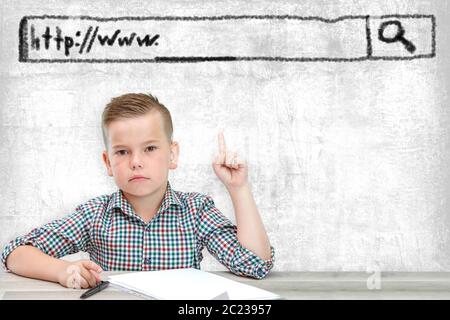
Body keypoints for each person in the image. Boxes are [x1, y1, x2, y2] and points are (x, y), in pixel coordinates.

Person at [1, 93, 275, 289]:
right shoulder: (95, 215)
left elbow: (254, 265)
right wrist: (63, 270)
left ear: (172, 154)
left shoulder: (196, 211)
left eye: (150, 148)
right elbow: (15, 253)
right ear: (108, 163)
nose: (136, 161)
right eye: (122, 151)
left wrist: (238, 188)